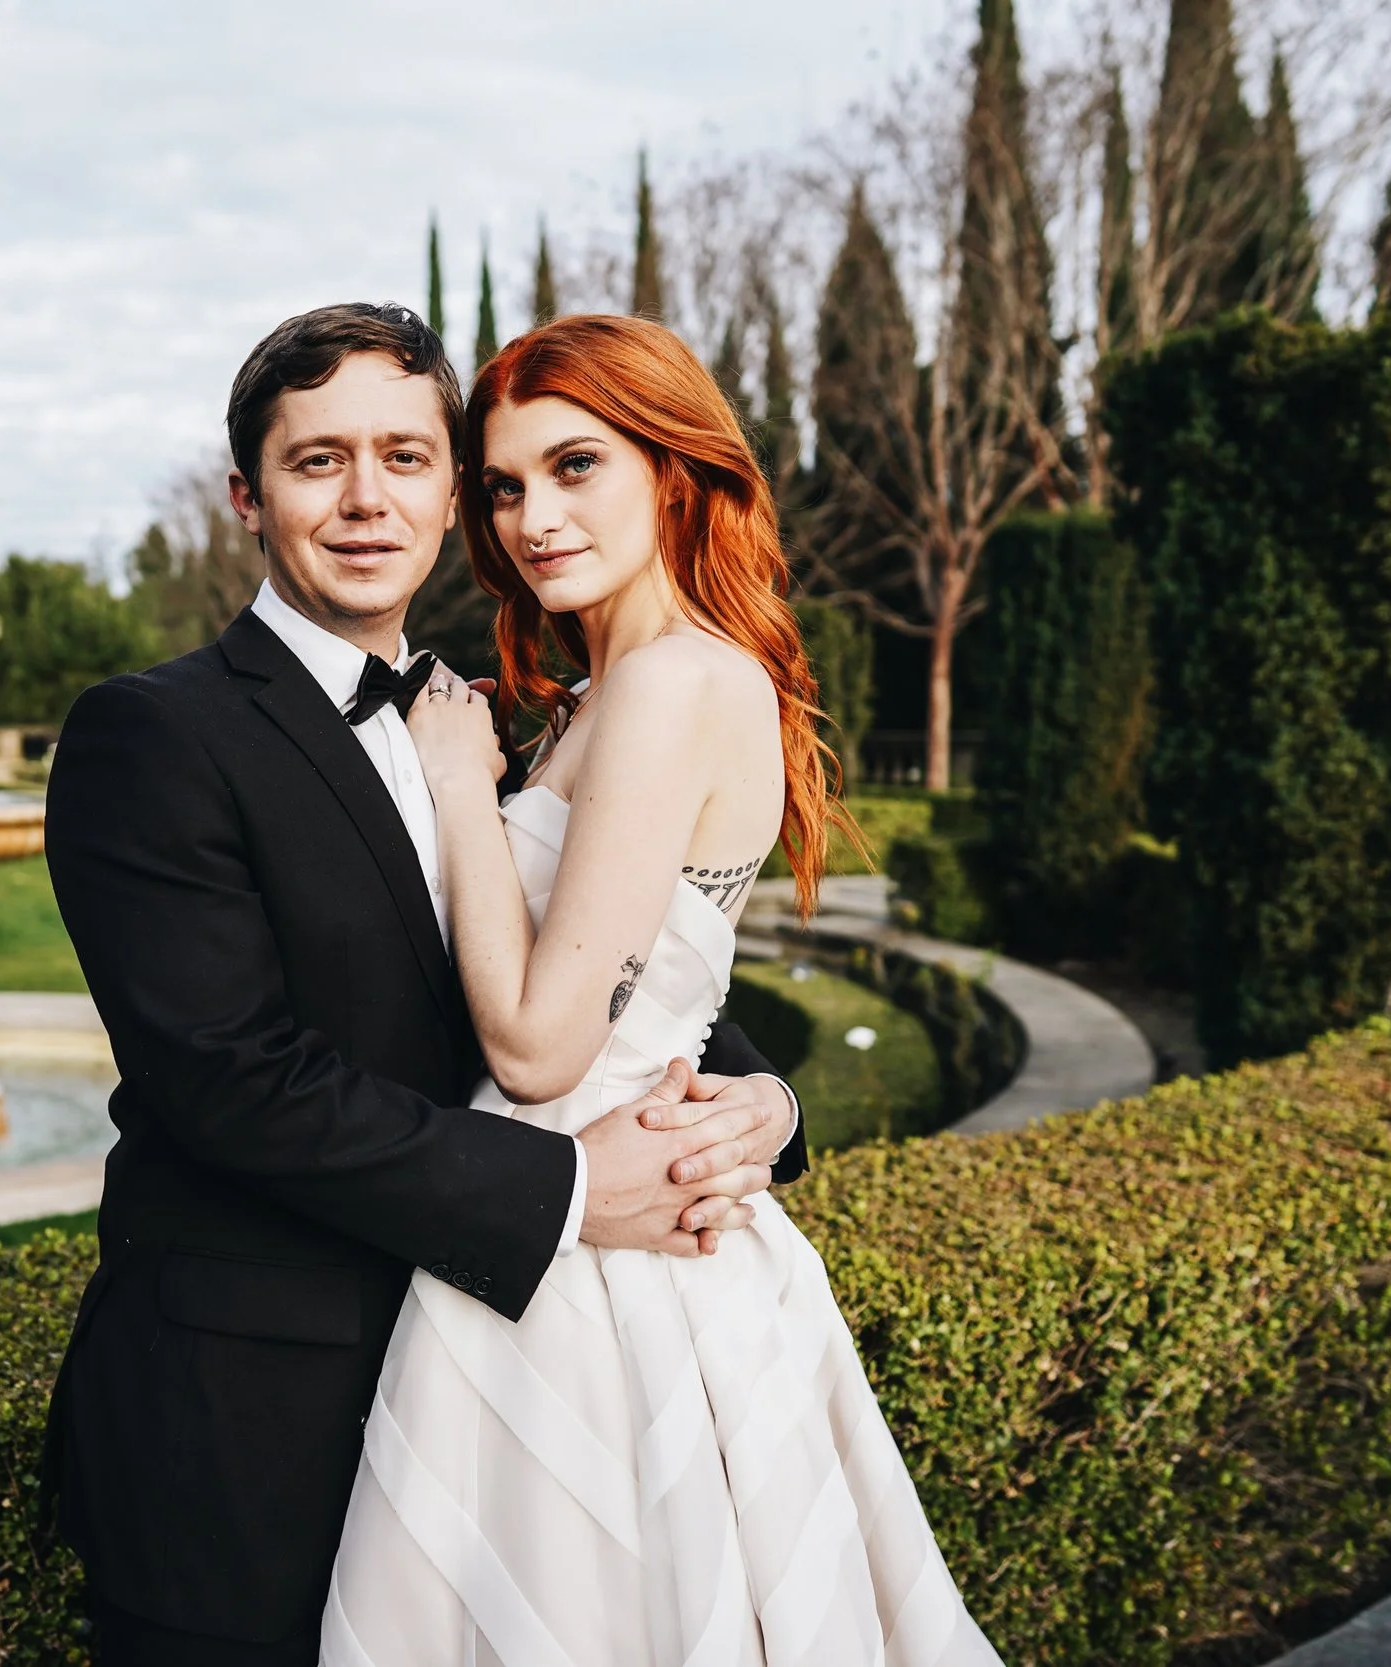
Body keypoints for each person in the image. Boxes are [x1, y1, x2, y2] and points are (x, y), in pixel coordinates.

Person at [43, 302, 810, 1666]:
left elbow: (616, 968)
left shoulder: (489, 727)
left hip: (509, 1401)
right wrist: (573, 1189)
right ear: (247, 497)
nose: (363, 498)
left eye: (406, 457)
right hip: (253, 1439)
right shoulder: (149, 734)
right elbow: (230, 1077)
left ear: (449, 496)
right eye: (315, 460)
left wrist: (762, 1102)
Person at [320, 313, 1000, 1665]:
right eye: (505, 487)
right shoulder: (603, 693)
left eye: (577, 467)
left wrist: (462, 788)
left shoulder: (672, 684)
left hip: (600, 1258)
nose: (531, 519)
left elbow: (535, 1043)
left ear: (674, 468)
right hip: (590, 1215)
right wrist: (768, 1093)